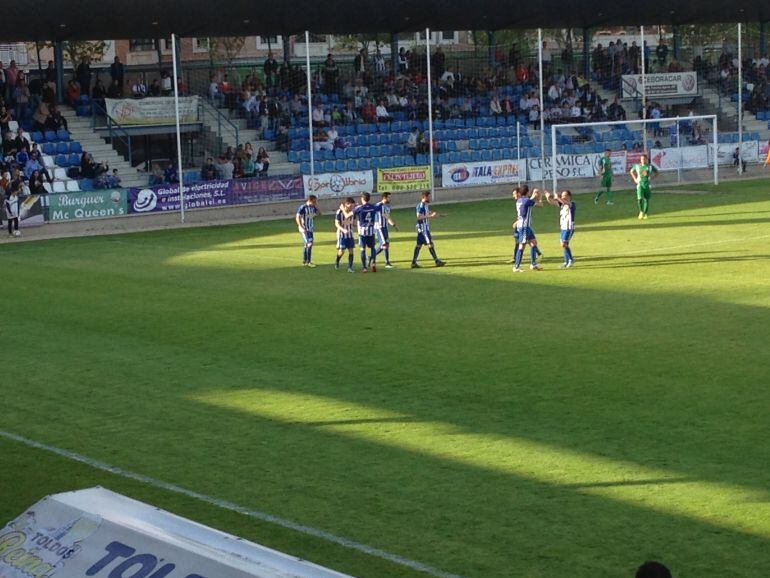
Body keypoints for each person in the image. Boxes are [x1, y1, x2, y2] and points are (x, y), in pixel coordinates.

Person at [411, 191, 446, 268]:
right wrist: (430, 216)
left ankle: (413, 262)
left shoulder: (425, 205)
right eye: (428, 197)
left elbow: (427, 213)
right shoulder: (421, 206)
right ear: (424, 197)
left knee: (419, 245)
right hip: (423, 228)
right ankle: (437, 261)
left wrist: (438, 215)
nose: (429, 198)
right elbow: (419, 217)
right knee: (430, 243)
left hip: (423, 228)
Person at [512, 185, 542, 273]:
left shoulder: (519, 201)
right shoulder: (527, 201)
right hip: (524, 226)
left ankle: (533, 264)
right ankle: (516, 266)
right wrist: (539, 197)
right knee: (522, 246)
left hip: (524, 226)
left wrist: (533, 195)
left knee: (533, 243)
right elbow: (540, 205)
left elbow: (528, 201)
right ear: (527, 192)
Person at [546, 189, 576, 269]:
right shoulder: (562, 204)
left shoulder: (571, 204)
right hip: (563, 227)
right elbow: (552, 202)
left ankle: (571, 260)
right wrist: (548, 197)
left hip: (569, 227)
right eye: (562, 196)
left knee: (564, 244)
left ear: (569, 196)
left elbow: (566, 202)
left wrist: (558, 197)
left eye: (565, 195)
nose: (563, 197)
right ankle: (566, 262)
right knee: (564, 245)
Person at [354, 192, 378, 273]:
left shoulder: (360, 208)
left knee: (362, 249)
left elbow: (353, 214)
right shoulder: (373, 207)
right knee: (372, 247)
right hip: (371, 230)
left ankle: (364, 267)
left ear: (362, 199)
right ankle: (373, 262)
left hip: (362, 232)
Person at [630, 153, 658, 219]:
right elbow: (631, 171)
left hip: (647, 185)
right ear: (640, 160)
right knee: (639, 198)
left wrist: (651, 178)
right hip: (640, 184)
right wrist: (635, 179)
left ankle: (645, 213)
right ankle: (641, 211)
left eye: (644, 159)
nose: (643, 160)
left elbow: (657, 172)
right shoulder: (637, 166)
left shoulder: (650, 166)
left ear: (647, 160)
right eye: (642, 159)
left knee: (646, 199)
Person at [374, 192, 398, 268]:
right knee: (384, 244)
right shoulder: (378, 205)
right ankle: (387, 263)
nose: (390, 199)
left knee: (385, 244)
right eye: (388, 197)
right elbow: (373, 213)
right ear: (384, 198)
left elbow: (388, 217)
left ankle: (371, 256)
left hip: (385, 228)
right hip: (379, 228)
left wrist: (393, 225)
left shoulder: (387, 207)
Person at [296, 195, 320, 267]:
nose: (315, 203)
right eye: (314, 201)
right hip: (305, 229)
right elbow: (297, 217)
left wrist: (314, 214)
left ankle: (305, 261)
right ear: (310, 200)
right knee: (309, 244)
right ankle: (308, 262)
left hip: (310, 228)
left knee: (307, 245)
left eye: (315, 202)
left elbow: (320, 213)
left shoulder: (313, 207)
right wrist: (301, 226)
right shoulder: (303, 207)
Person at [335, 197, 356, 272]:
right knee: (342, 251)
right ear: (346, 204)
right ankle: (337, 261)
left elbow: (354, 222)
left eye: (352, 205)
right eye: (350, 205)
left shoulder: (353, 212)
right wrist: (343, 229)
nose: (351, 206)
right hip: (342, 235)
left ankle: (350, 267)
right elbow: (336, 224)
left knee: (351, 251)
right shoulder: (339, 212)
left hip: (350, 235)